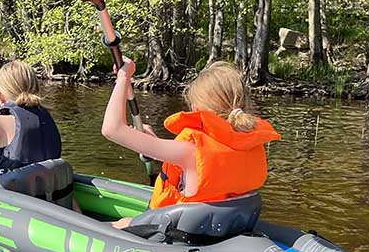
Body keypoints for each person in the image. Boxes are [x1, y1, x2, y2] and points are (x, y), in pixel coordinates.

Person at [101, 57, 280, 228]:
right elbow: (207, 170)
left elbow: (111, 128)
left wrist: (124, 77)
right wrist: (152, 143)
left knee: (119, 223)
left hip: (177, 235)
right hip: (221, 229)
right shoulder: (251, 143)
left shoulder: (188, 151)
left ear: (195, 109)